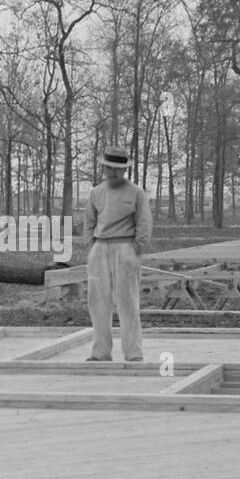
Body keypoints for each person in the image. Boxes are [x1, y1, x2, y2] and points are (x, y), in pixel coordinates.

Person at [83, 145, 152, 362]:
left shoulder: (136, 192)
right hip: (100, 247)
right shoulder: (96, 193)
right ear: (103, 167)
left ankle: (133, 353)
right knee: (97, 300)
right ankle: (100, 352)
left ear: (124, 170)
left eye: (117, 169)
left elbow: (143, 222)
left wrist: (136, 249)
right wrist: (91, 246)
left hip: (125, 247)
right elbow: (88, 222)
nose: (113, 173)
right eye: (109, 168)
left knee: (127, 301)